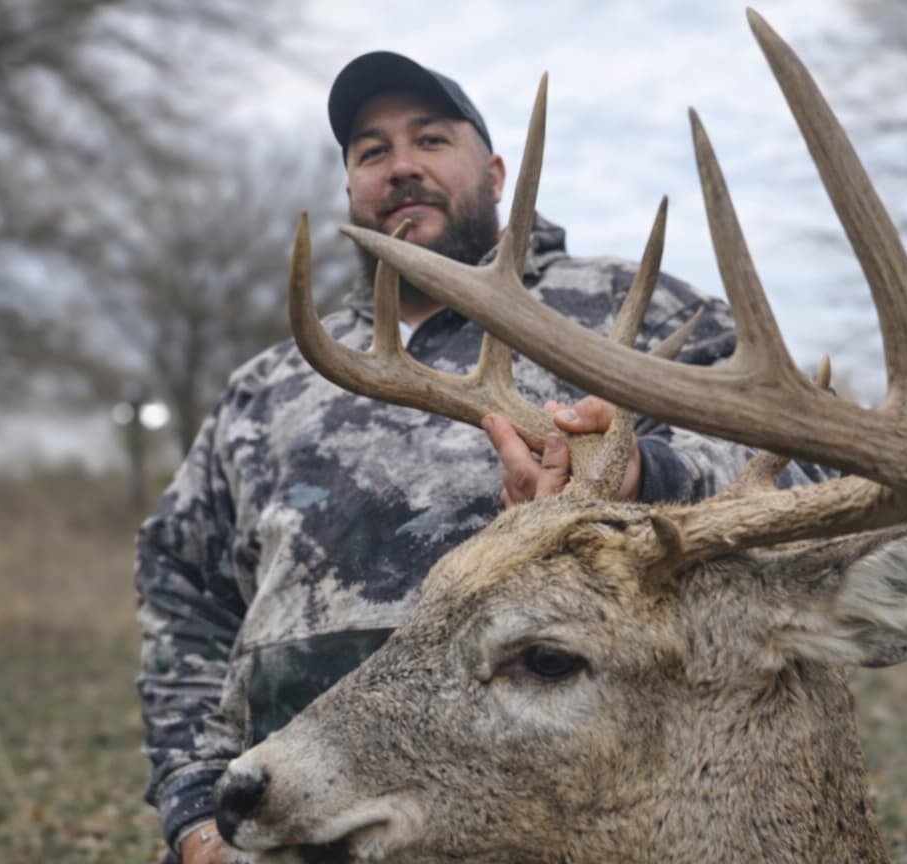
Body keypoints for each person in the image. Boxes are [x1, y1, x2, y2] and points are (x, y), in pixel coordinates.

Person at [136, 50, 829, 864]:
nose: (401, 167)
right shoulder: (279, 375)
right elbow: (181, 589)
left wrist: (650, 475)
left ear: (495, 171)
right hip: (284, 815)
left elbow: (811, 477)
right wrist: (196, 814)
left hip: (553, 825)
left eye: (430, 140)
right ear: (350, 189)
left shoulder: (624, 309)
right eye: (371, 151)